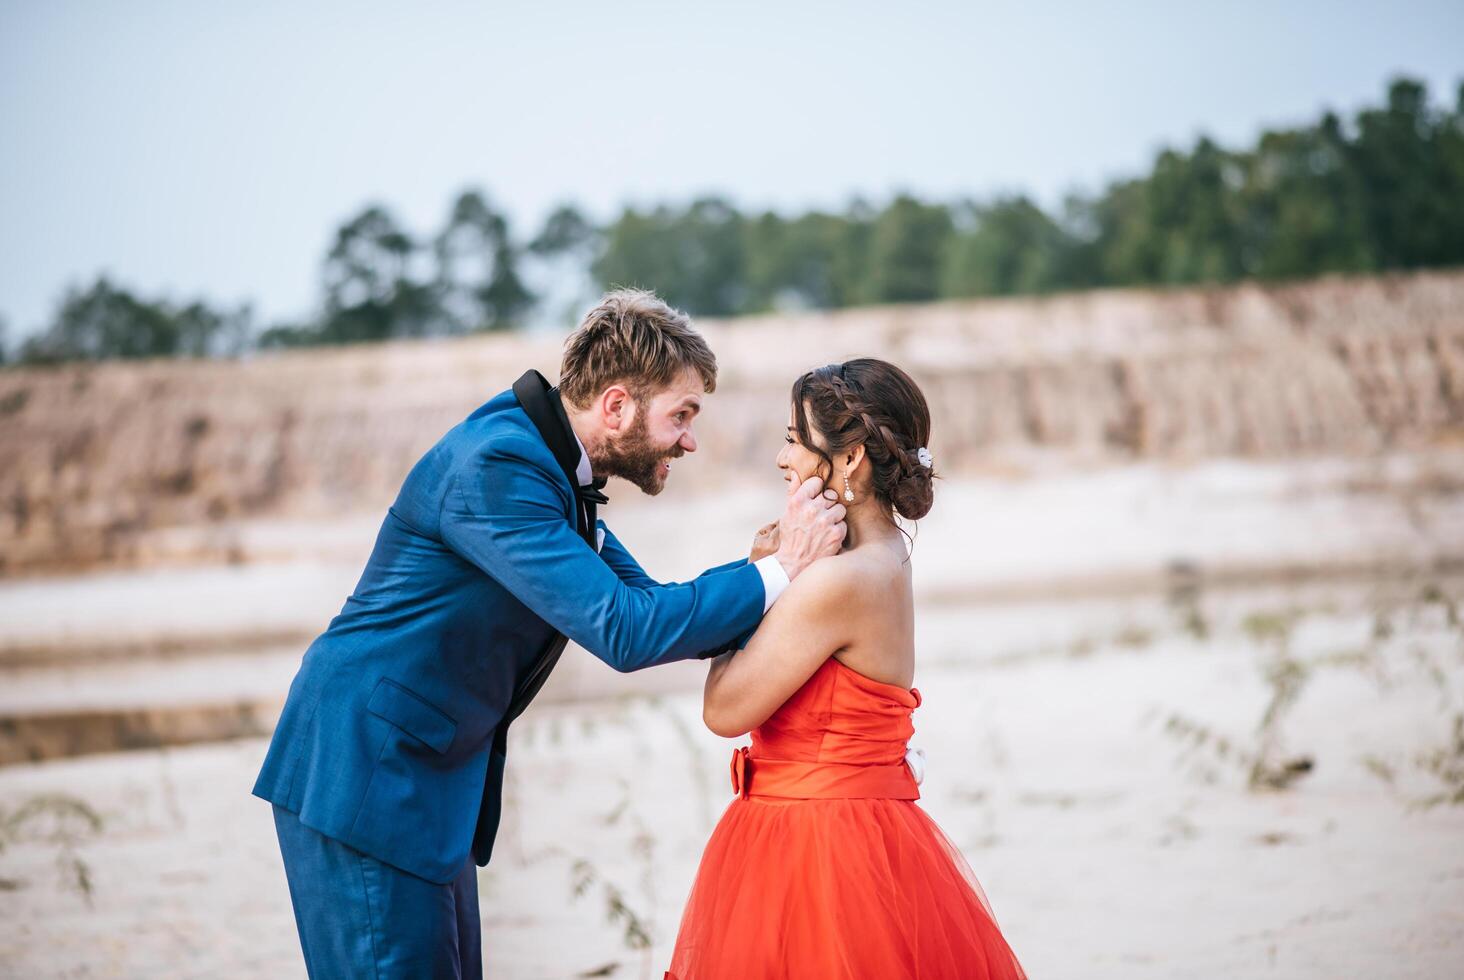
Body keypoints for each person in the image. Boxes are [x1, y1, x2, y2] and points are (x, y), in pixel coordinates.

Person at [252, 289, 847, 978]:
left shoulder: (554, 470)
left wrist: (762, 571)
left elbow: (646, 602)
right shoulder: (499, 469)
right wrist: (783, 568)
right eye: (680, 415)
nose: (689, 439)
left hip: (417, 778)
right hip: (363, 776)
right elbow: (626, 634)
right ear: (617, 405)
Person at [665, 358, 1028, 980]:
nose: (783, 460)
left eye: (793, 440)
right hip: (868, 834)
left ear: (851, 457)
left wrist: (760, 576)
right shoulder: (887, 557)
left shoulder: (837, 583)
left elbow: (723, 711)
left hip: (817, 850)